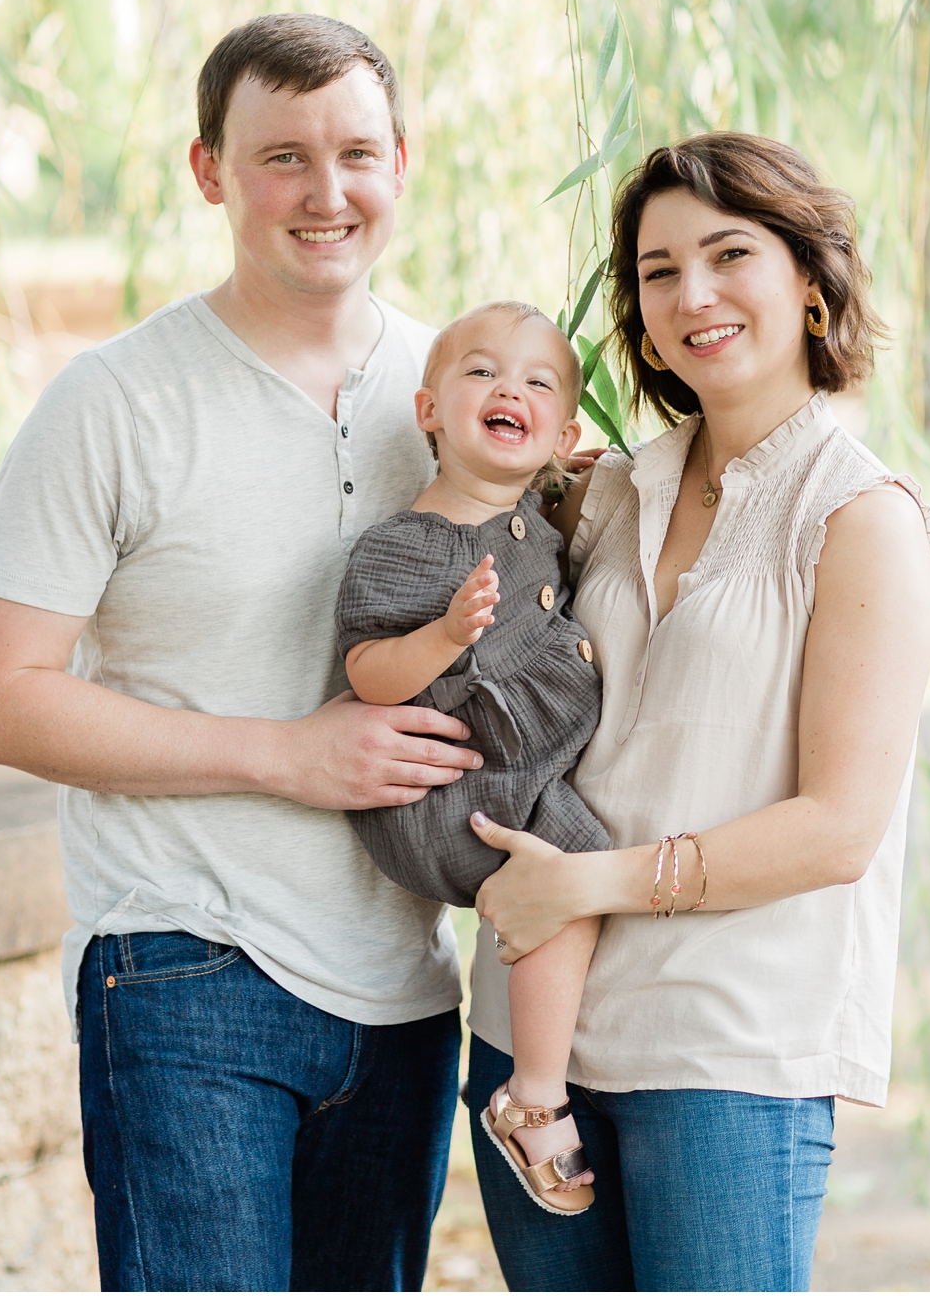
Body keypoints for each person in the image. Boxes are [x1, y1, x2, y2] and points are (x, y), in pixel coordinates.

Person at [0, 14, 481, 1292]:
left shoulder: (457, 393)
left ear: (401, 160)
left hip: (404, 983)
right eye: (280, 155)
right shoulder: (114, 403)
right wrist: (286, 756)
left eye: (355, 151)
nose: (325, 191)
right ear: (209, 172)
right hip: (184, 968)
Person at [464, 132, 930, 1291]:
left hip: (726, 1046)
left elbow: (837, 826)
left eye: (730, 254)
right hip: (533, 1040)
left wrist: (589, 881)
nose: (692, 295)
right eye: (657, 269)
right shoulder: (607, 487)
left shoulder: (858, 518)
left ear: (810, 286)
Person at [335, 301, 610, 1217]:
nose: (510, 390)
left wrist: (581, 481)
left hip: (507, 776)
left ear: (564, 434)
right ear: (428, 410)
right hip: (453, 795)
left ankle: (538, 1084)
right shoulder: (406, 545)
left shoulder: (538, 511)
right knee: (570, 875)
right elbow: (370, 673)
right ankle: (534, 1096)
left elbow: (551, 501)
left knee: (576, 883)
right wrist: (445, 637)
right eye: (483, 372)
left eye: (537, 383)